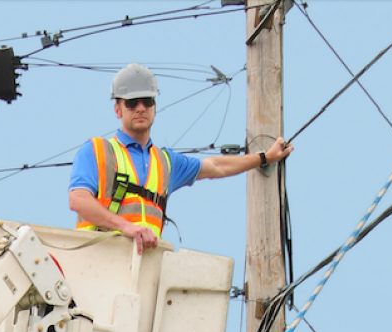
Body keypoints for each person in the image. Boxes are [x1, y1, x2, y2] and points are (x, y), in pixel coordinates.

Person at [69, 63, 293, 254]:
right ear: (118, 109)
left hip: (144, 267)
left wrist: (265, 157)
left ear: (155, 108)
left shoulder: (165, 162)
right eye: (131, 102)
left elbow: (215, 166)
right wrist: (127, 228)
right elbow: (78, 200)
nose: (140, 108)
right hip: (98, 261)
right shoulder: (97, 150)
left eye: (147, 101)